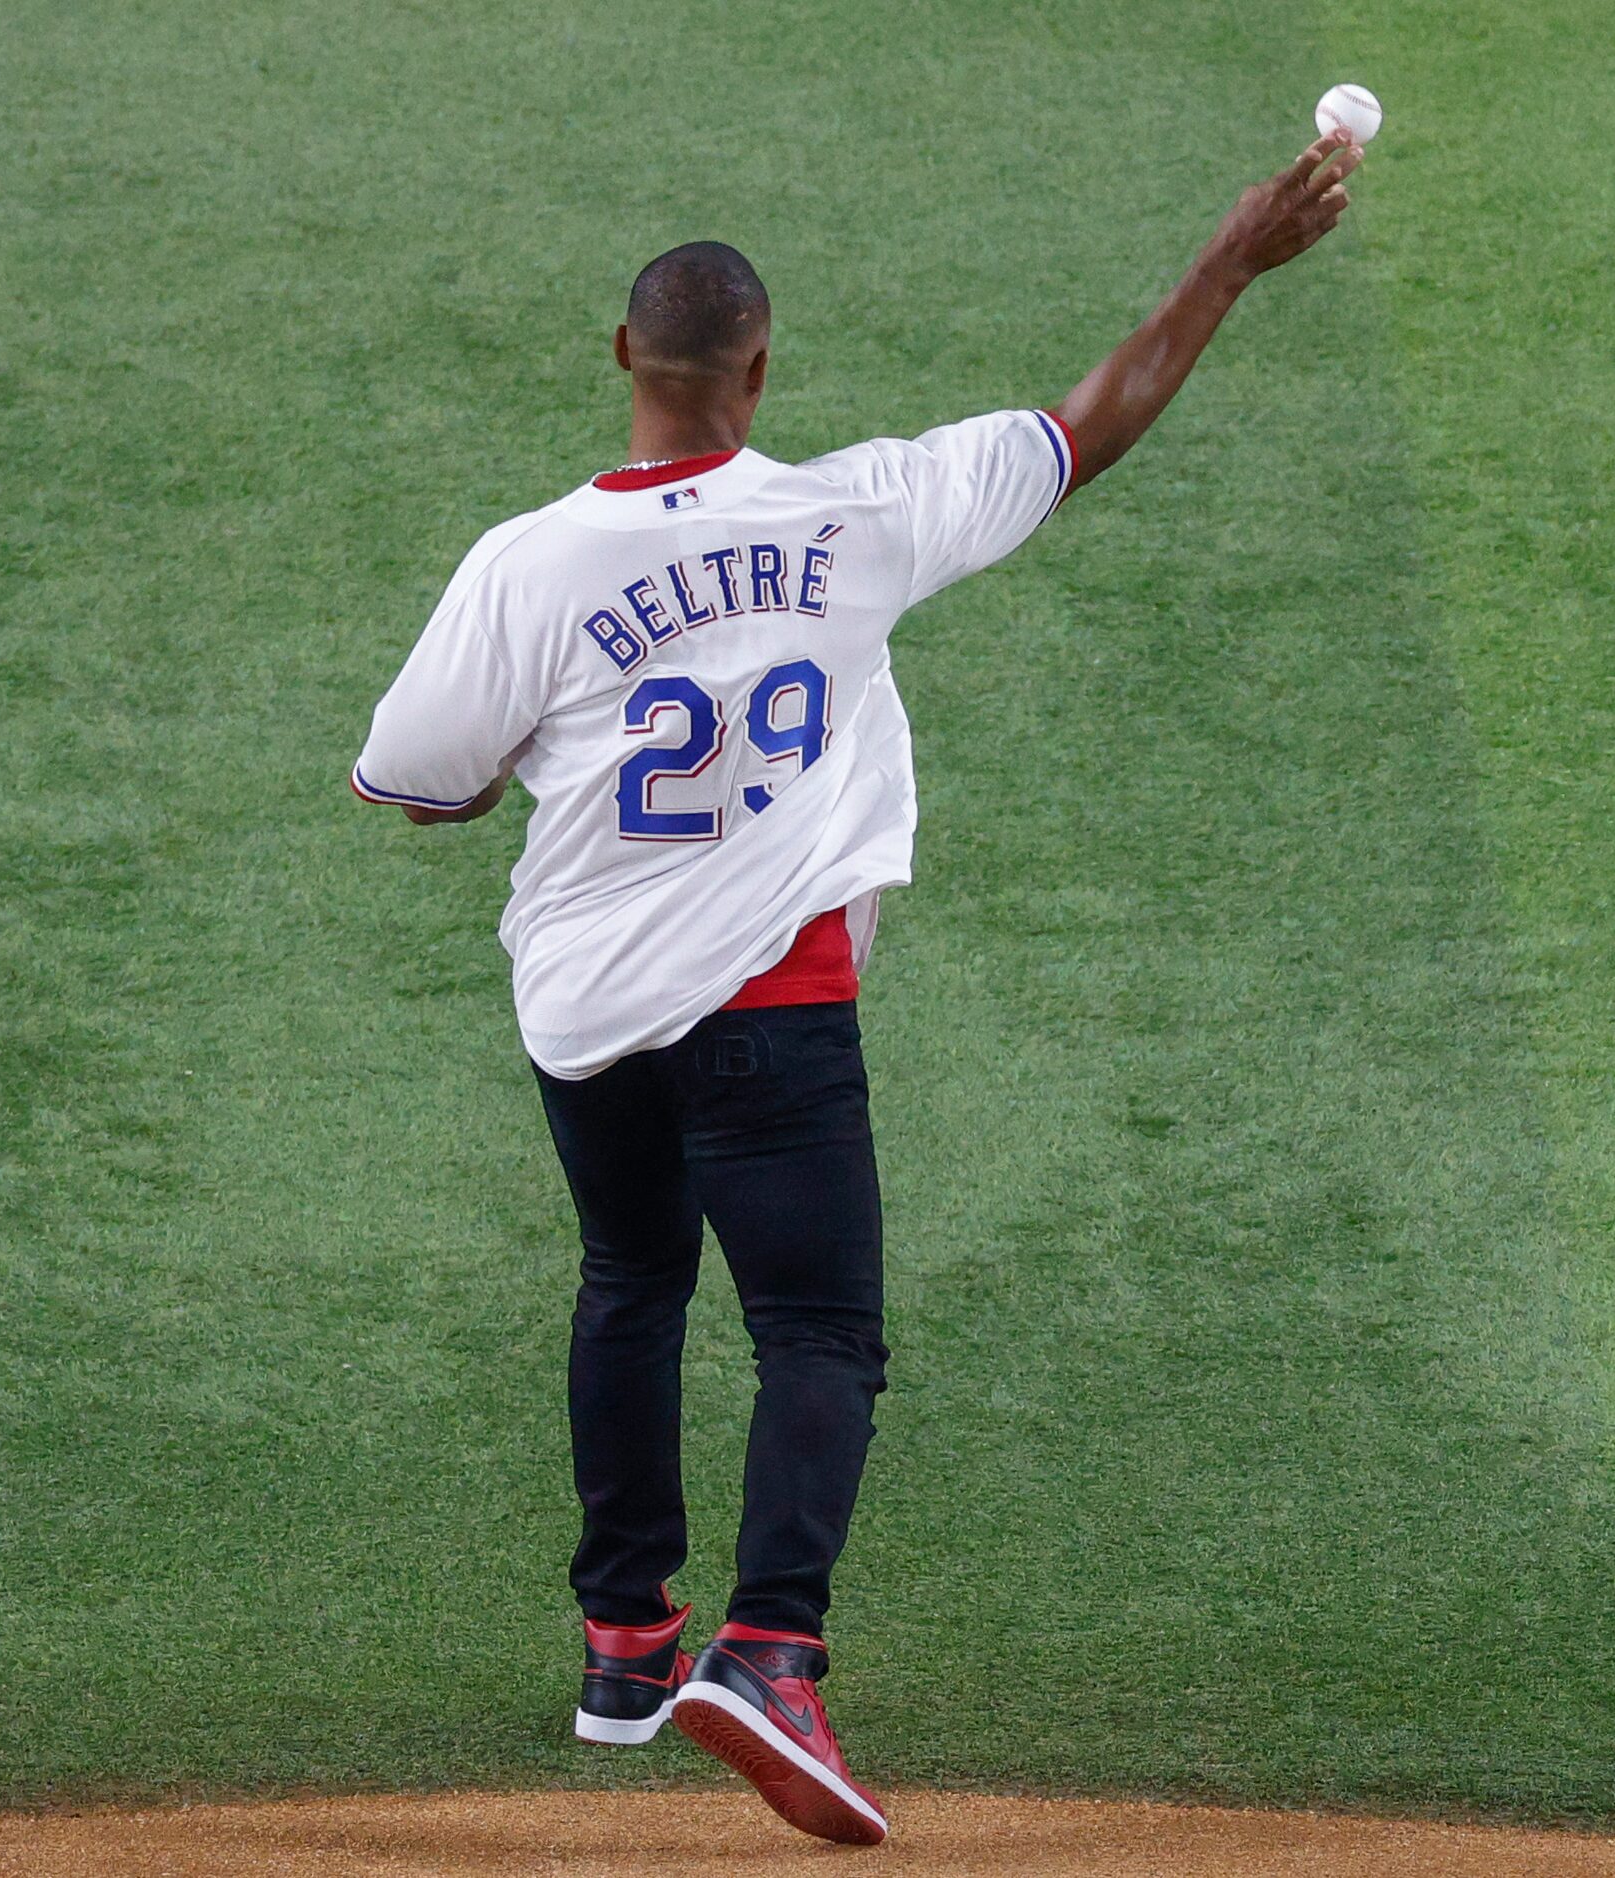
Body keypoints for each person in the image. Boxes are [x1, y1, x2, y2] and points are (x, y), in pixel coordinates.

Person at [351, 129, 1364, 1847]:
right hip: (772, 1010)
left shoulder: (523, 563)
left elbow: (410, 784)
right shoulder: (860, 510)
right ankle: (766, 1652)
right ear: (760, 367)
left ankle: (622, 1648)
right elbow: (1089, 422)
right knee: (817, 1329)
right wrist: (1230, 262)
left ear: (624, 360)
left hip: (587, 1016)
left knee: (629, 1280)